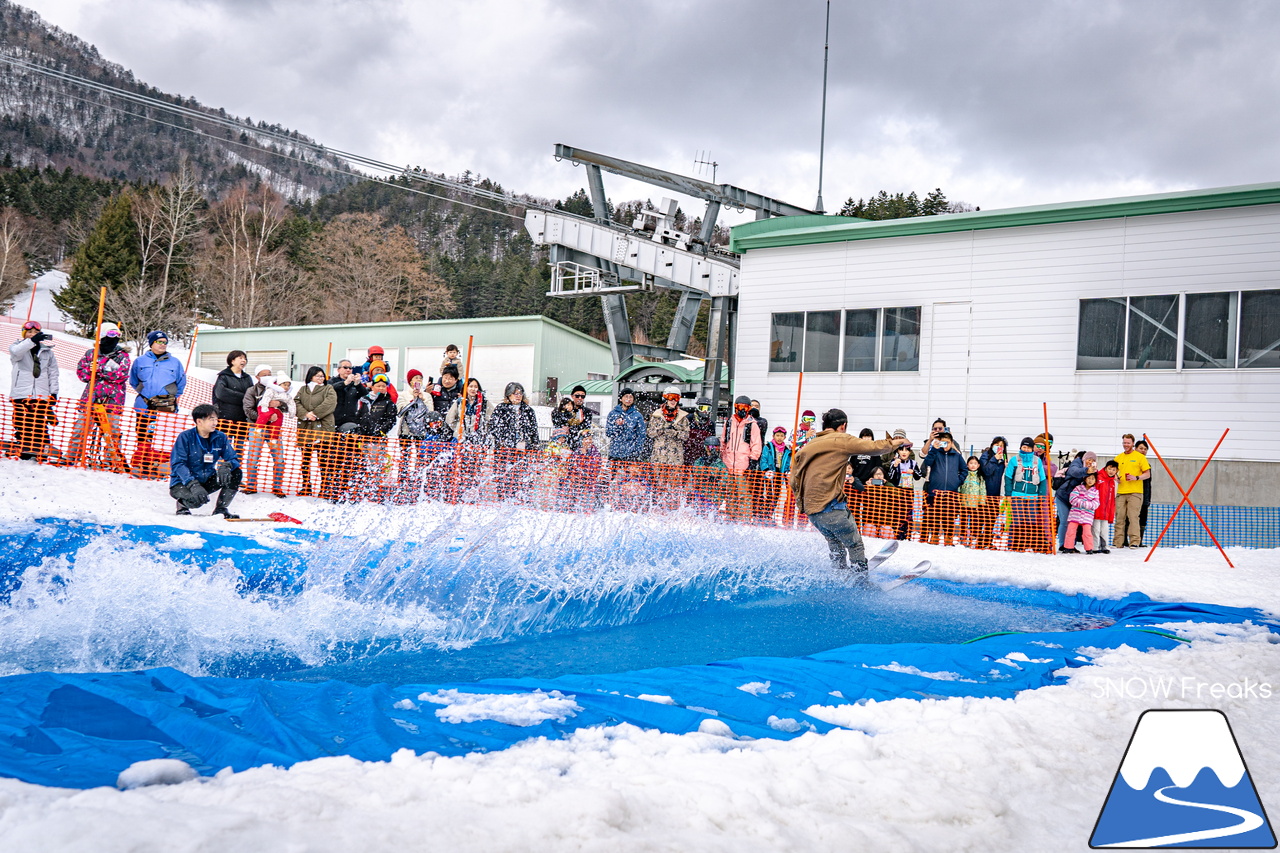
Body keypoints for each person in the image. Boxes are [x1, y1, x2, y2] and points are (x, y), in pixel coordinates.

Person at [790, 408, 908, 574]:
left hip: (812, 511)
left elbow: (793, 479)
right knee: (854, 544)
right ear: (843, 425)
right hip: (831, 506)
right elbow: (871, 446)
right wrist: (896, 443)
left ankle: (839, 576)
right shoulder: (840, 439)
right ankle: (860, 582)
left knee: (835, 544)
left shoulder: (809, 446)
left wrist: (802, 503)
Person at [66, 322, 131, 468]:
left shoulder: (122, 356)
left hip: (114, 399)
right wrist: (92, 371)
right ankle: (71, 456)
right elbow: (82, 374)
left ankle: (111, 459)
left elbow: (121, 375)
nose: (114, 338)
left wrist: (100, 369)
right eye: (111, 334)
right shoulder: (91, 353)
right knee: (81, 428)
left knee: (112, 431)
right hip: (92, 397)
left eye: (117, 335)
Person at [169, 404, 242, 518]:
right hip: (183, 482)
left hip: (207, 479)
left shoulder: (220, 437)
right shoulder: (185, 437)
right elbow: (178, 464)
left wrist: (227, 465)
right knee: (197, 500)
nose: (215, 423)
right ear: (199, 421)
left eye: (216, 419)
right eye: (211, 419)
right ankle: (182, 505)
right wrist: (192, 484)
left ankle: (221, 509)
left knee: (236, 473)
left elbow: (233, 458)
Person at [8, 320, 59, 461]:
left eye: (36, 333)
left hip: (41, 393)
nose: (32, 335)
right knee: (21, 421)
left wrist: (53, 392)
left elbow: (53, 373)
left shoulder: (47, 352)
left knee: (39, 422)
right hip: (21, 392)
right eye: (29, 332)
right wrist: (31, 342)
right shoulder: (17, 347)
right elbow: (16, 353)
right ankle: (24, 446)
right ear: (24, 334)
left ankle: (41, 448)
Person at [129, 330, 186, 446]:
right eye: (159, 341)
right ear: (151, 343)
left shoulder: (175, 362)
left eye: (165, 342)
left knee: (161, 441)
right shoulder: (140, 361)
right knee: (142, 438)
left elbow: (181, 383)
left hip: (165, 409)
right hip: (143, 407)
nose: (163, 344)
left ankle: (158, 463)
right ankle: (142, 462)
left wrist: (169, 396)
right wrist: (145, 392)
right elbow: (133, 381)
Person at [489, 381, 539, 500]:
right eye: (515, 393)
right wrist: (504, 440)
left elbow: (534, 430)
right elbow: (493, 427)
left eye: (520, 393)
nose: (518, 396)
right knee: (503, 475)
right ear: (508, 395)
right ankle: (503, 497)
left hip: (523, 449)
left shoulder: (528, 410)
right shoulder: (501, 409)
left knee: (521, 475)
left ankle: (521, 498)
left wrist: (534, 446)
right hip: (504, 450)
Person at [240, 364, 282, 496]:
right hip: (256, 428)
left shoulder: (278, 389)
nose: (268, 377)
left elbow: (287, 404)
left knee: (279, 458)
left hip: (274, 430)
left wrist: (279, 404)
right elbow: (248, 410)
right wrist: (266, 417)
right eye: (264, 375)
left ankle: (277, 486)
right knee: (253, 457)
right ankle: (251, 485)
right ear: (257, 377)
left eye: (269, 374)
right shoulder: (251, 391)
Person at [295, 366, 336, 497]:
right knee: (305, 459)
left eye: (322, 376)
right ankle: (306, 485)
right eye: (318, 376)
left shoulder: (328, 388)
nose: (321, 378)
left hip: (323, 427)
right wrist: (305, 414)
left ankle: (324, 487)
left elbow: (330, 402)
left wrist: (316, 413)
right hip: (306, 427)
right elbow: (296, 403)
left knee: (323, 459)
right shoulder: (303, 389)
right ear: (311, 376)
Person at [1004, 437, 1050, 552]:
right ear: (1020, 447)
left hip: (1032, 496)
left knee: (1031, 520)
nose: (1026, 449)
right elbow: (1008, 477)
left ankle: (1030, 543)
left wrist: (1041, 496)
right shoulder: (1014, 460)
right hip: (1017, 495)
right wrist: (1008, 495)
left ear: (1032, 448)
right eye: (1024, 447)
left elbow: (1043, 480)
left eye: (1029, 447)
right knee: (1017, 520)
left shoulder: (1037, 461)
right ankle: (1014, 543)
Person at [722, 395, 763, 520]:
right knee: (730, 494)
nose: (742, 410)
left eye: (745, 407)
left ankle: (744, 519)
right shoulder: (729, 423)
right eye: (740, 407)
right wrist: (722, 457)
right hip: (729, 465)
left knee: (744, 494)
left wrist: (752, 460)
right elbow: (723, 441)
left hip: (743, 467)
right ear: (735, 407)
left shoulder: (751, 424)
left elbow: (756, 444)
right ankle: (731, 517)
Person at [921, 431, 966, 546]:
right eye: (943, 442)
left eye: (948, 442)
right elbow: (927, 462)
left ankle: (948, 537)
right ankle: (935, 536)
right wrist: (934, 449)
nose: (946, 445)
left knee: (950, 516)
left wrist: (958, 481)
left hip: (951, 493)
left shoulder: (957, 455)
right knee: (935, 515)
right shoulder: (936, 453)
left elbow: (964, 470)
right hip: (935, 492)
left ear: (951, 443)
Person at [1112, 434, 1151, 548]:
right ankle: (1118, 542)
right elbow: (1112, 471)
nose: (1126, 445)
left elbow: (1147, 474)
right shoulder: (1119, 457)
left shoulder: (1140, 457)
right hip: (1121, 492)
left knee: (1133, 517)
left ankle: (1134, 542)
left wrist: (1136, 477)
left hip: (1135, 492)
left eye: (1128, 443)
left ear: (1133, 443)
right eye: (1124, 442)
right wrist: (1116, 478)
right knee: (1119, 517)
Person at [212, 350, 254, 455]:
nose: (243, 361)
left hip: (242, 419)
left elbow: (251, 396)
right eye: (240, 358)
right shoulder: (224, 376)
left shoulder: (247, 378)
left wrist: (243, 398)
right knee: (225, 449)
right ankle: (223, 471)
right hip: (225, 418)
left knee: (239, 450)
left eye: (245, 358)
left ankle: (236, 470)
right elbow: (221, 393)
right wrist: (243, 396)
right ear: (232, 361)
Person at [1054, 451, 1097, 552]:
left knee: (1073, 523)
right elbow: (1074, 472)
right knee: (1064, 521)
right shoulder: (1077, 463)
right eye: (1088, 459)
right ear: (1084, 459)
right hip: (1064, 496)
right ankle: (1062, 545)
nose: (1090, 462)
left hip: (1076, 500)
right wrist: (1087, 470)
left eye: (1093, 460)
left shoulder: (1092, 470)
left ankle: (1070, 546)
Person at [886, 435, 921, 541]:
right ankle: (896, 534)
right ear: (898, 451)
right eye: (901, 450)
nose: (904, 452)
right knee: (897, 513)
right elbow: (890, 477)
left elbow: (919, 476)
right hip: (898, 492)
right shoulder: (894, 463)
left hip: (909, 493)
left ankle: (907, 535)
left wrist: (913, 472)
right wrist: (894, 466)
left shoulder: (913, 463)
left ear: (910, 452)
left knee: (908, 514)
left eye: (906, 450)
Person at [977, 437, 1010, 549]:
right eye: (996, 444)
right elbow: (986, 471)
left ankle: (988, 541)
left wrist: (1005, 464)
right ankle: (979, 541)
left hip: (995, 493)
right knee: (982, 518)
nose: (998, 447)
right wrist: (994, 459)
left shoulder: (1003, 458)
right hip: (984, 493)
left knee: (992, 519)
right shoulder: (986, 455)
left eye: (1001, 445)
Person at [646, 385, 690, 466]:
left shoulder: (683, 418)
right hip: (659, 456)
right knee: (658, 478)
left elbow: (686, 436)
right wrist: (662, 430)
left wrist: (676, 433)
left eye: (676, 398)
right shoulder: (656, 416)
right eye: (670, 397)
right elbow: (650, 433)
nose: (673, 401)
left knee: (674, 478)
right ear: (665, 399)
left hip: (675, 458)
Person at [758, 425, 792, 521]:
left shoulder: (786, 450)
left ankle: (770, 514)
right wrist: (766, 470)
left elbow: (787, 462)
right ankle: (764, 514)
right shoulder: (768, 447)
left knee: (776, 495)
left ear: (784, 437)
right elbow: (763, 459)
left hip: (779, 474)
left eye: (781, 436)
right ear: (773, 436)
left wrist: (786, 471)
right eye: (777, 435)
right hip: (770, 473)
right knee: (768, 494)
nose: (779, 438)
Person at [605, 388, 647, 464]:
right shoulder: (613, 414)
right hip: (615, 453)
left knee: (629, 475)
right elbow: (608, 433)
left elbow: (641, 435)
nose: (628, 399)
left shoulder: (637, 415)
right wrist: (618, 426)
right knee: (612, 475)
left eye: (631, 397)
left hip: (631, 455)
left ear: (633, 400)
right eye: (626, 396)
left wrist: (636, 452)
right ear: (621, 399)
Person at [447, 377, 491, 446]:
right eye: (470, 386)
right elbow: (450, 419)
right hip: (460, 438)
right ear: (466, 388)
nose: (473, 389)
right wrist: (457, 428)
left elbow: (491, 419)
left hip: (479, 439)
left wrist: (484, 429)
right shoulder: (459, 402)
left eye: (475, 387)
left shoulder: (484, 402)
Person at [1064, 472, 1101, 554]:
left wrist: (1084, 504)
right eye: (1089, 478)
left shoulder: (1095, 491)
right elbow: (1073, 499)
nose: (1090, 481)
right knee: (1071, 530)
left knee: (1087, 532)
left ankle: (1089, 548)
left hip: (1087, 516)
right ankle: (1068, 547)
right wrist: (1085, 503)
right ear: (1085, 479)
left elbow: (1096, 504)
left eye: (1092, 479)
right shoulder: (1078, 488)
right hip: (1075, 514)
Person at [328, 359, 369, 430]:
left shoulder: (354, 384)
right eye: (345, 367)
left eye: (350, 368)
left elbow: (365, 395)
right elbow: (329, 389)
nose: (348, 370)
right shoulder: (332, 381)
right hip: (333, 419)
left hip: (350, 420)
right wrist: (344, 383)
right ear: (338, 370)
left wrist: (358, 384)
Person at [554, 385, 594, 449]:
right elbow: (556, 418)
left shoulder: (586, 412)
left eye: (582, 396)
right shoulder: (564, 409)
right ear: (572, 396)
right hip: (563, 442)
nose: (580, 398)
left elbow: (586, 427)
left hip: (578, 443)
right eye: (577, 396)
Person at [958, 456, 986, 547]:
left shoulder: (980, 477)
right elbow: (959, 487)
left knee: (974, 522)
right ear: (967, 465)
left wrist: (982, 502)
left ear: (978, 465)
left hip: (975, 505)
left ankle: (973, 538)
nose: (973, 465)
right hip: (964, 503)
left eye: (975, 463)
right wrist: (958, 499)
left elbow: (982, 490)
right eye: (971, 463)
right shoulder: (964, 475)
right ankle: (963, 537)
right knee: (963, 521)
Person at [1092, 460, 1119, 554]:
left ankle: (1104, 546)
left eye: (1113, 469)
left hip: (1106, 510)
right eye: (1109, 469)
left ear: (1116, 471)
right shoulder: (1098, 477)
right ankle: (1095, 546)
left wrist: (1111, 512)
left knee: (1104, 529)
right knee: (1096, 529)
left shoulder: (1112, 482)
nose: (1111, 471)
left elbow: (1112, 498)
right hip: (1097, 509)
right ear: (1106, 468)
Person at [1135, 439, 1153, 545]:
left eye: (1145, 449)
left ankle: (1139, 541)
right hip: (1133, 494)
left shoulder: (1147, 464)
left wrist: (1147, 498)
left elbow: (1148, 484)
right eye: (1141, 448)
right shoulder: (1131, 462)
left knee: (1142, 519)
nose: (1143, 451)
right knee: (1130, 519)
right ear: (1135, 449)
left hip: (1144, 496)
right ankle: (1126, 540)